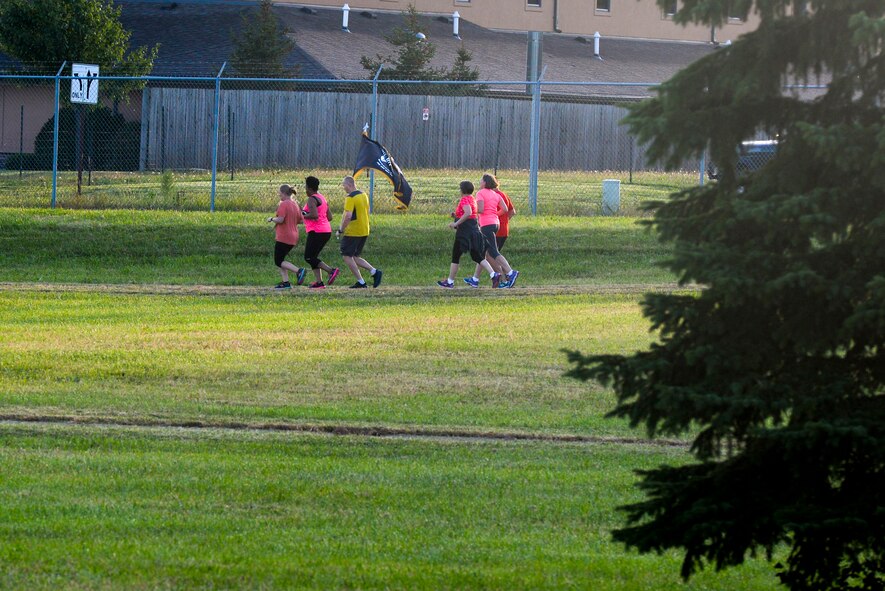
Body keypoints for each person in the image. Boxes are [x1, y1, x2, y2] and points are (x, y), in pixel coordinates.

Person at [437, 180, 497, 288]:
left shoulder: (464, 199)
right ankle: (493, 274)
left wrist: (456, 223)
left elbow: (468, 213)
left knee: (456, 256)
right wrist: (455, 215)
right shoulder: (472, 199)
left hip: (464, 233)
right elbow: (470, 213)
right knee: (477, 256)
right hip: (474, 230)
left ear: (462, 190)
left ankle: (450, 281)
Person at [466, 173, 519, 288]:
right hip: (496, 224)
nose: (479, 182)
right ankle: (477, 279)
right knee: (485, 252)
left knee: (493, 252)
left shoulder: (480, 193)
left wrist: (470, 212)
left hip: (486, 224)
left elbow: (480, 209)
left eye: (481, 180)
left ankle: (510, 272)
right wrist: (494, 214)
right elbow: (505, 209)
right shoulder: (496, 194)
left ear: (485, 182)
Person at [337, 176, 382, 288]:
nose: (344, 188)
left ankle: (361, 282)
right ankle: (374, 272)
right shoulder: (363, 195)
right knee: (355, 256)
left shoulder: (350, 198)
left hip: (353, 231)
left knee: (347, 256)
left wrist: (341, 230)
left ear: (349, 185)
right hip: (364, 229)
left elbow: (348, 216)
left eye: (344, 185)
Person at [301, 176, 339, 289]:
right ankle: (319, 282)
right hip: (326, 231)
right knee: (313, 257)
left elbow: (314, 215)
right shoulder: (322, 198)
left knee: (308, 257)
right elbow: (330, 217)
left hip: (317, 231)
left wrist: (302, 216)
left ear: (309, 188)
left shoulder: (312, 199)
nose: (305, 189)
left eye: (306, 187)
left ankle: (331, 271)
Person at [267, 184, 306, 289]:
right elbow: (301, 220)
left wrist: (271, 219)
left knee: (278, 261)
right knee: (282, 260)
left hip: (284, 235)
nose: (279, 195)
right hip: (293, 235)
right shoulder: (295, 204)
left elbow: (280, 219)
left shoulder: (284, 204)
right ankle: (286, 283)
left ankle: (299, 271)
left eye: (279, 193)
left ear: (283, 193)